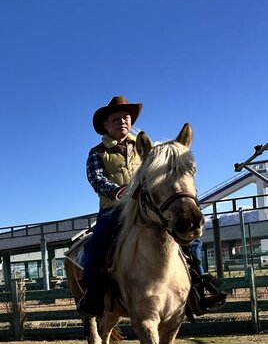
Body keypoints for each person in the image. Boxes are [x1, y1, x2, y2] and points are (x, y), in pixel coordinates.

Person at [78, 96, 226, 317]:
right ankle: (93, 292)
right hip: (114, 208)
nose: (122, 122)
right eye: (116, 119)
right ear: (106, 126)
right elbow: (96, 178)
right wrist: (117, 191)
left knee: (190, 236)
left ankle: (199, 285)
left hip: (146, 207)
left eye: (126, 118)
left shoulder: (148, 149)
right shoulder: (98, 152)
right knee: (97, 243)